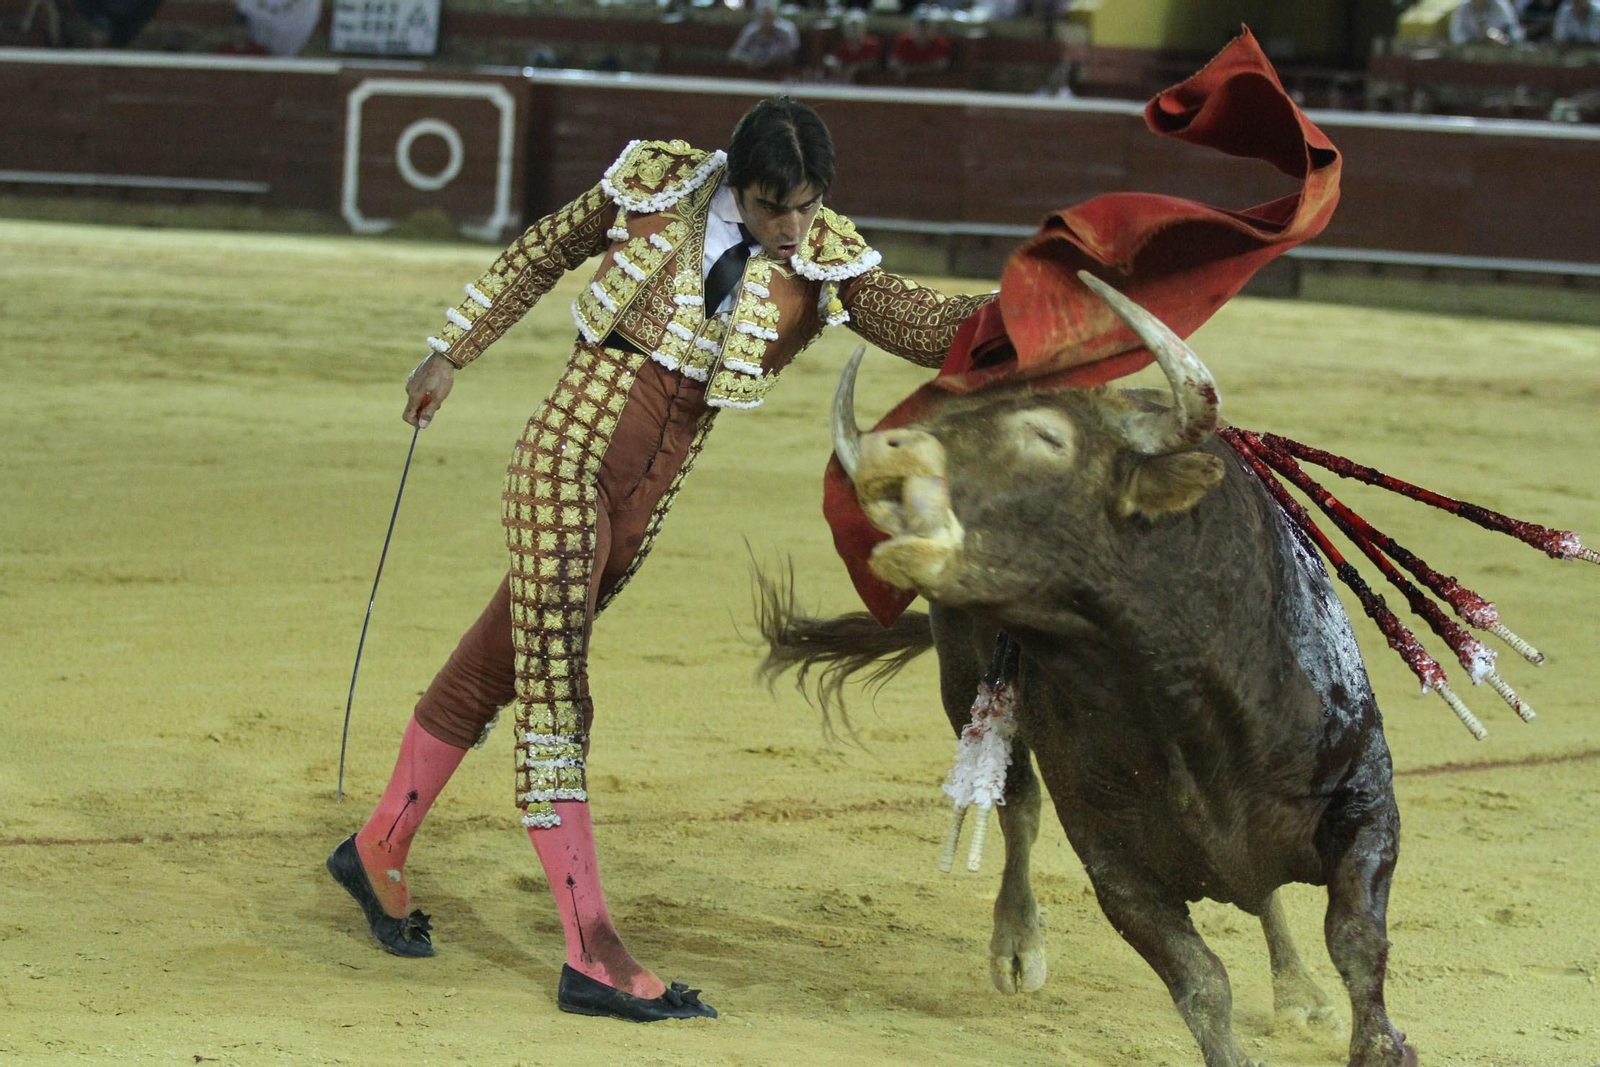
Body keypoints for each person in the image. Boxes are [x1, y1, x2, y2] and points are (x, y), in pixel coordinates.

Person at [326, 97, 992, 1022]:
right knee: (558, 690)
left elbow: (922, 321)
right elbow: (542, 251)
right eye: (773, 208)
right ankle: (590, 951)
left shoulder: (823, 253)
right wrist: (449, 351)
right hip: (565, 459)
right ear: (736, 181)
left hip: (644, 504)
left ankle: (377, 847)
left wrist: (1030, 310)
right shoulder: (659, 185)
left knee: (496, 665)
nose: (792, 227)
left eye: (806, 206)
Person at [727, 0, 800, 75]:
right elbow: (733, 54)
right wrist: (748, 61)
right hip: (752, 73)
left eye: (769, 17)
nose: (766, 21)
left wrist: (768, 62)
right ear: (758, 18)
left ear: (776, 17)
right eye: (764, 17)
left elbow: (792, 56)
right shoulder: (751, 31)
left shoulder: (786, 31)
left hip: (779, 73)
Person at [888, 6, 953, 78]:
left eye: (926, 28)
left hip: (933, 81)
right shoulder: (903, 41)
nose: (923, 32)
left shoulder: (940, 43)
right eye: (919, 29)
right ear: (913, 30)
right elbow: (893, 63)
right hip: (906, 81)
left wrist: (911, 70)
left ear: (932, 30)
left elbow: (941, 65)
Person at [820, 9, 882, 82]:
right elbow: (832, 60)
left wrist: (856, 68)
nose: (854, 30)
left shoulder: (873, 44)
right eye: (851, 27)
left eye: (858, 27)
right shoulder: (840, 46)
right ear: (845, 29)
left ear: (864, 29)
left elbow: (875, 64)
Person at [1449, 0, 1525, 43]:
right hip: (1471, 55)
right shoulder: (1463, 8)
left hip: (1499, 55)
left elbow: (1514, 33)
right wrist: (1475, 41)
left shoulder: (1501, 6)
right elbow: (1457, 36)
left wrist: (1503, 39)